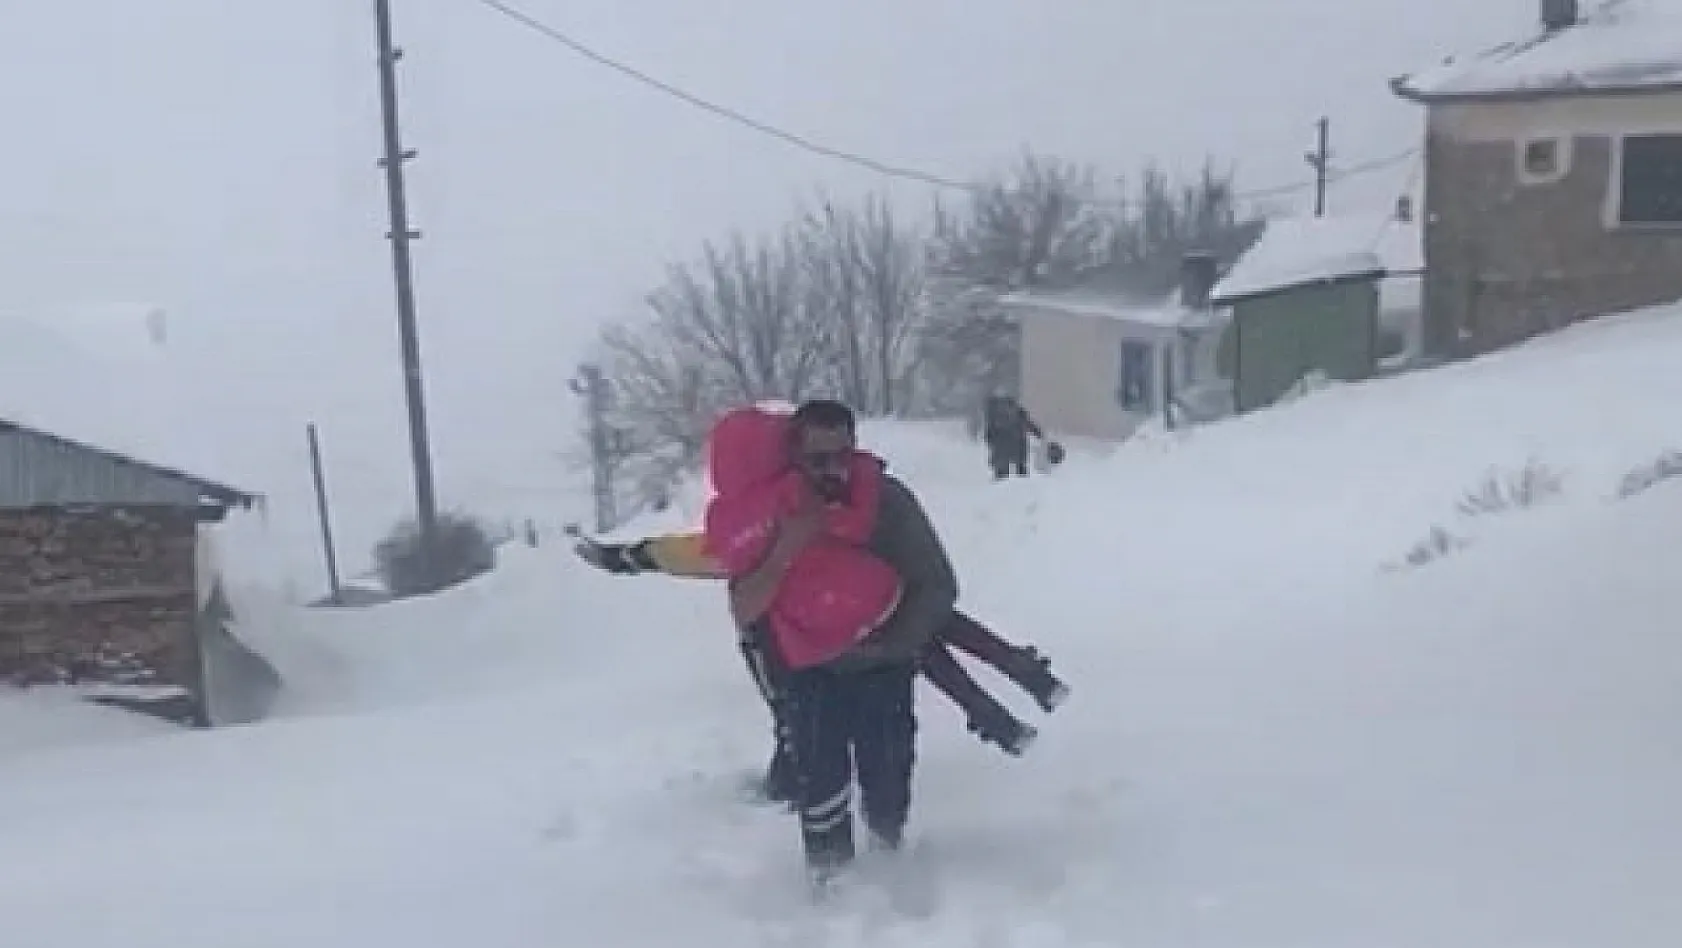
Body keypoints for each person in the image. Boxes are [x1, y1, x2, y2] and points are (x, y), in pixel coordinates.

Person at [729, 399, 956, 880]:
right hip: (810, 674)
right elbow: (745, 606)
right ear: (794, 458)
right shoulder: (771, 513)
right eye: (818, 460)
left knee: (887, 787)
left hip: (883, 669)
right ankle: (831, 896)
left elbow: (936, 583)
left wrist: (891, 645)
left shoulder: (887, 503)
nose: (834, 471)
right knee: (821, 791)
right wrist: (788, 546)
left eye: (843, 456)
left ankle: (889, 879)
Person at [982, 393, 1046, 480]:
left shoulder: (994, 415)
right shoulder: (1019, 412)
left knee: (1001, 474)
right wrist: (1038, 433)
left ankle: (1001, 485)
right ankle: (1023, 486)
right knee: (1021, 470)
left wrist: (991, 443)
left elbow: (989, 434)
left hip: (1001, 448)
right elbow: (1028, 424)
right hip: (1018, 445)